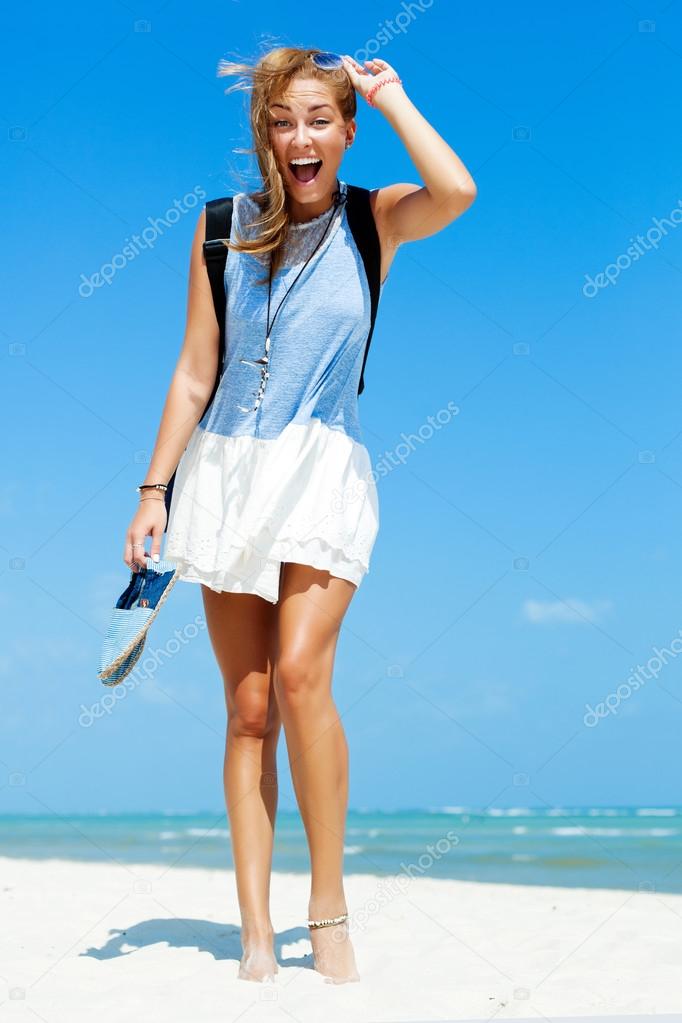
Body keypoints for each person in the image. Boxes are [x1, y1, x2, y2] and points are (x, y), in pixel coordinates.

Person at [124, 45, 476, 985]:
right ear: (264, 137)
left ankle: (327, 909)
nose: (300, 138)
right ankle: (251, 929)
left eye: (319, 119)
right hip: (225, 477)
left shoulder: (375, 219)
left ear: (345, 132)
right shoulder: (216, 229)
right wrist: (153, 491)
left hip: (323, 470)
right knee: (246, 708)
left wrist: (392, 96)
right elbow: (197, 370)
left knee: (301, 677)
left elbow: (459, 190)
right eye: (283, 122)